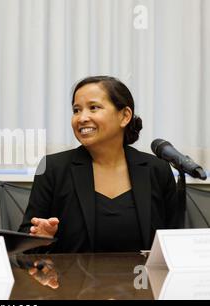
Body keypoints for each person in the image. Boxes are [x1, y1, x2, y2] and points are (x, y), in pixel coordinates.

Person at [19, 75, 179, 253]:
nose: (81, 118)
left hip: (141, 280)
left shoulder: (157, 170)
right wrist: (42, 237)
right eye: (76, 110)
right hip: (74, 280)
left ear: (125, 116)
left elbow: (174, 243)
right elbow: (24, 243)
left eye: (93, 108)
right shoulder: (52, 168)